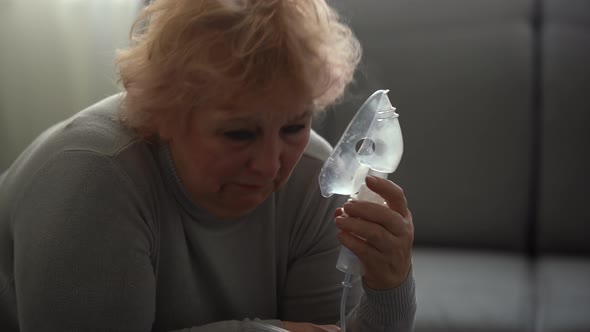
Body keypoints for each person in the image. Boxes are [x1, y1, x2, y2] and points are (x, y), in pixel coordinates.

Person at [0, 0, 416, 331]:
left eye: (294, 125)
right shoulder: (92, 178)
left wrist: (389, 287)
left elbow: (329, 328)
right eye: (239, 134)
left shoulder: (315, 179)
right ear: (162, 115)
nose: (271, 165)